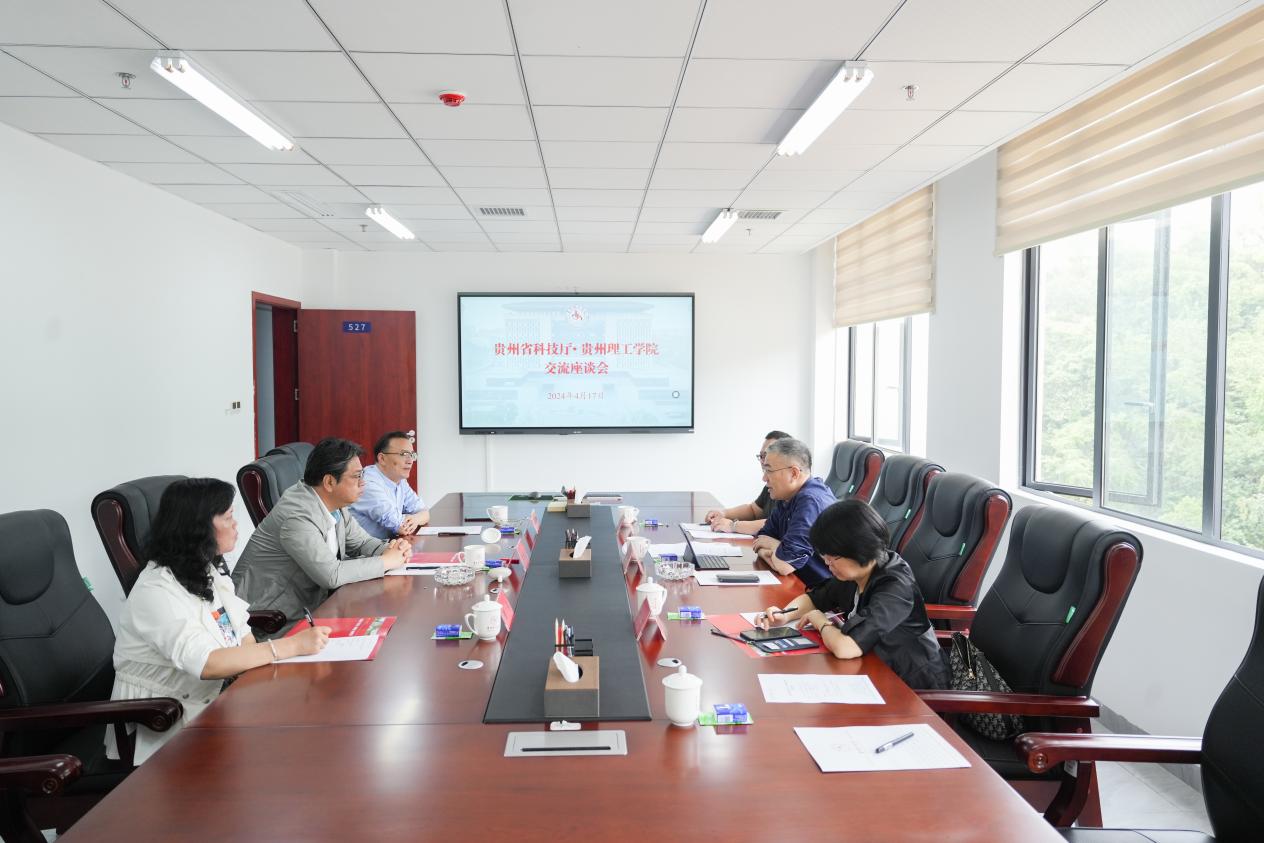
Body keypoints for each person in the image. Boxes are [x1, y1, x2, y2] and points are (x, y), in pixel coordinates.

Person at [108, 478, 331, 764]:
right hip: (164, 722)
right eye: (227, 517)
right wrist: (289, 647)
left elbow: (241, 633)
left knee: (309, 710)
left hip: (216, 699)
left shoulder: (203, 570)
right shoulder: (155, 590)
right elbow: (207, 663)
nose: (235, 524)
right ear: (198, 527)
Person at [757, 498, 949, 690]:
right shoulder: (856, 571)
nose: (827, 564)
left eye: (833, 557)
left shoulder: (895, 587)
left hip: (912, 687)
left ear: (859, 549)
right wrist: (784, 614)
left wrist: (820, 621)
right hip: (872, 668)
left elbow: (846, 647)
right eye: (825, 556)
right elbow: (816, 599)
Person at [233, 437, 409, 636]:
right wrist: (386, 561)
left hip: (314, 607)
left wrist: (392, 549)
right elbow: (331, 575)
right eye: (356, 476)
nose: (363, 483)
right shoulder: (297, 515)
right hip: (272, 621)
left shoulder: (334, 504)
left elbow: (361, 542)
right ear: (329, 482)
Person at [750, 437, 834, 587]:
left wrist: (773, 547)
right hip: (797, 581)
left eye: (769, 470)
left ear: (794, 473)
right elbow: (760, 541)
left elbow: (784, 565)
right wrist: (777, 550)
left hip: (822, 592)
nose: (764, 478)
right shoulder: (787, 496)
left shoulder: (810, 501)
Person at [704, 430, 793, 535]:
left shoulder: (796, 492)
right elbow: (753, 510)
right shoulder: (771, 484)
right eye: (761, 455)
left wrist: (733, 526)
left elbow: (777, 524)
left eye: (767, 455)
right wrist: (723, 513)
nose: (763, 461)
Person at [350, 429, 429, 540]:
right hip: (365, 549)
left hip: (387, 545)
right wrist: (414, 519)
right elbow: (401, 526)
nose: (410, 461)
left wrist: (415, 519)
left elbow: (424, 512)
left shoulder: (399, 481)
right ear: (382, 458)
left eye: (412, 455)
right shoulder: (367, 483)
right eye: (404, 454)